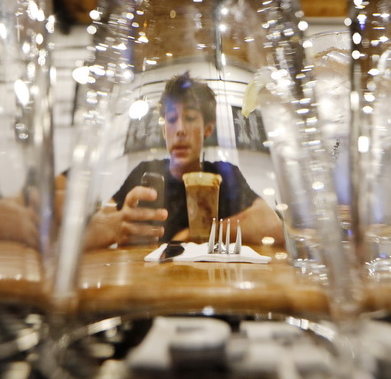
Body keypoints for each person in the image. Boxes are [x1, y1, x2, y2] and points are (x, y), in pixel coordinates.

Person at [84, 72, 284, 249]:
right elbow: (89, 233)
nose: (179, 129)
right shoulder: (144, 172)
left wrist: (193, 236)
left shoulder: (223, 174)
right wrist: (116, 227)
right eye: (171, 119)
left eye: (189, 118)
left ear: (208, 129)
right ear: (164, 131)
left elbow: (271, 225)